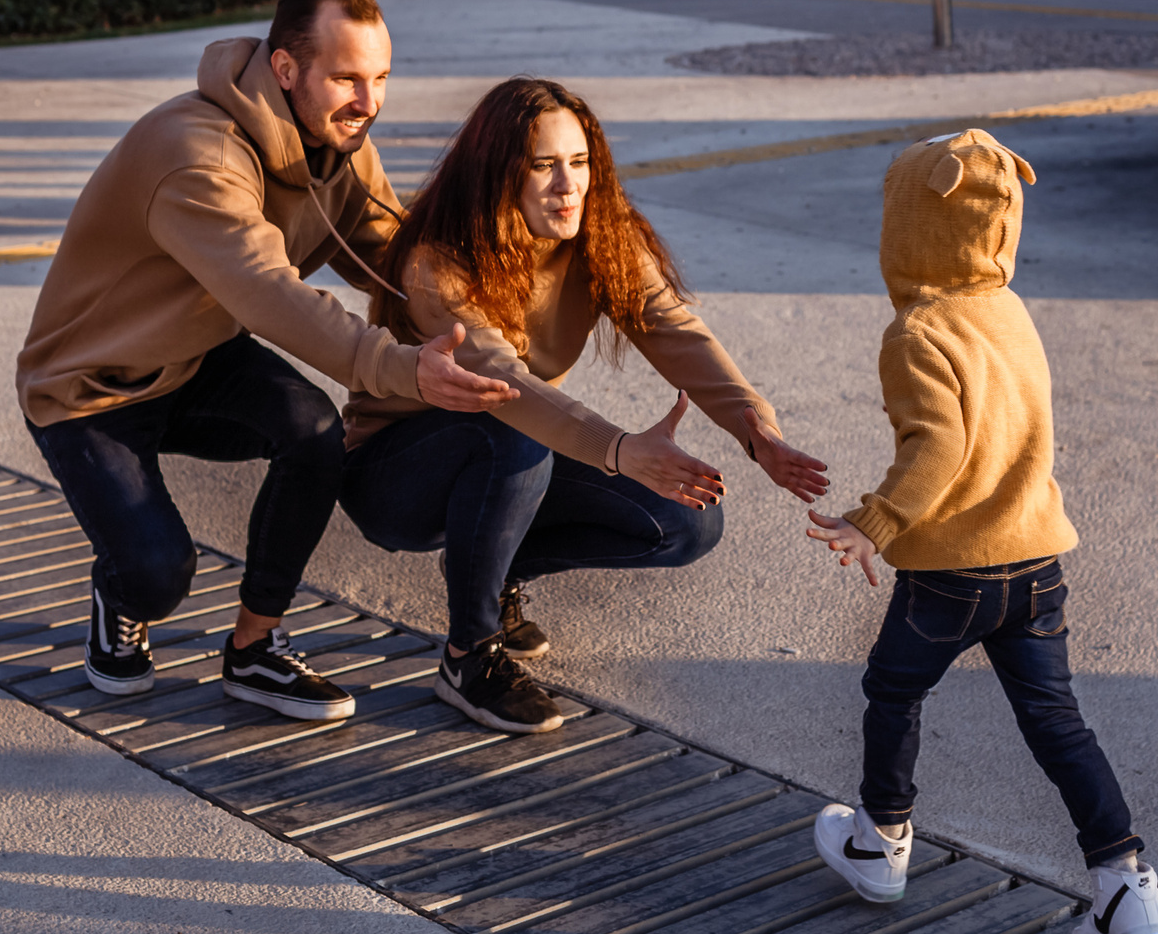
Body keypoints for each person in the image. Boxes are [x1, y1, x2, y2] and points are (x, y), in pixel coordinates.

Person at [16, 0, 517, 719]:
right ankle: (119, 586)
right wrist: (402, 366)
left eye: (380, 76)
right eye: (347, 77)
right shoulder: (197, 154)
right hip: (93, 388)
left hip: (196, 358)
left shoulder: (340, 142)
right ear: (286, 70)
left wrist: (484, 322)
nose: (369, 100)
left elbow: (390, 249)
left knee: (313, 431)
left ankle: (255, 647)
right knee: (160, 573)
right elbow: (273, 295)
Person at [332, 77, 832, 734]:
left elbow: (669, 326)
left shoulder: (598, 234)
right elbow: (500, 381)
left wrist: (754, 426)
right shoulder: (438, 262)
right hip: (397, 475)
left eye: (579, 162)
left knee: (685, 522)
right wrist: (622, 450)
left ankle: (491, 565)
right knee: (508, 431)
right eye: (543, 166)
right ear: (495, 174)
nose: (568, 186)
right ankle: (469, 655)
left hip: (517, 445)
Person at [804, 129, 1158, 934]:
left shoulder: (917, 331)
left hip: (950, 574)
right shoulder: (1009, 312)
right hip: (1037, 563)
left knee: (892, 691)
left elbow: (938, 447)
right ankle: (1127, 887)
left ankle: (881, 841)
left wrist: (874, 521)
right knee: (1056, 721)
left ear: (910, 226)